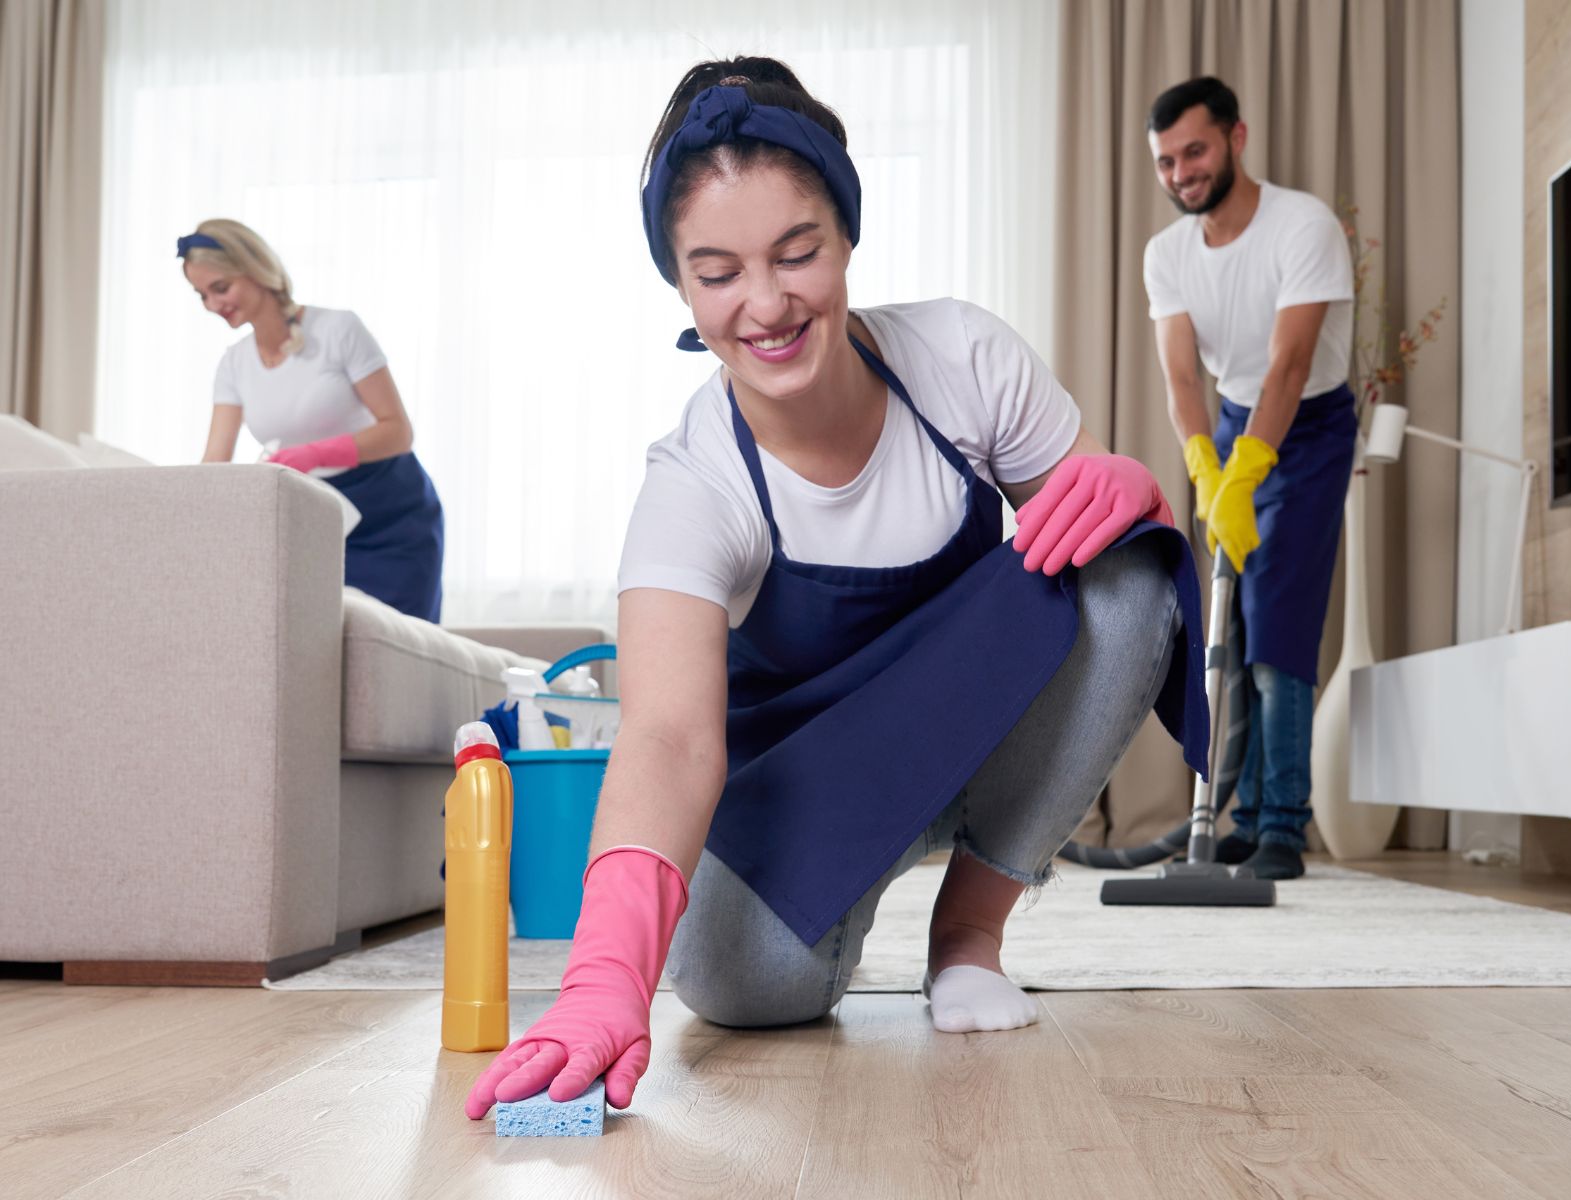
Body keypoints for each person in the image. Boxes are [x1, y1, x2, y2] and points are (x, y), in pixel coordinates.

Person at [466, 57, 1209, 1121]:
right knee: (741, 987)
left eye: (796, 253)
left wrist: (1135, 492)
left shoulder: (960, 358)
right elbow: (667, 737)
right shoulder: (694, 483)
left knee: (1134, 572)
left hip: (977, 730)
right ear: (681, 285)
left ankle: (969, 933)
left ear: (846, 236)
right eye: (718, 272)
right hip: (808, 782)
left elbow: (1101, 576)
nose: (766, 305)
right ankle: (837, 903)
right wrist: (602, 980)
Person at [1143, 77, 1357, 881]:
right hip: (1232, 425)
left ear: (1236, 138)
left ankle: (1283, 826)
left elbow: (1290, 367)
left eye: (1194, 151)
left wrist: (1251, 471)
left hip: (1310, 428)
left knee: (1278, 624)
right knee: (1231, 625)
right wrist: (1207, 466)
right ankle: (1245, 814)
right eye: (1166, 161)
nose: (1181, 173)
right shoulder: (1167, 254)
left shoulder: (1302, 226)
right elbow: (1181, 378)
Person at [178, 219, 446, 622]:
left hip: (393, 517)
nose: (213, 305)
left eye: (221, 288)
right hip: (320, 524)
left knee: (401, 644)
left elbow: (398, 431)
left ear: (255, 270)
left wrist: (314, 454)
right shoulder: (234, 364)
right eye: (202, 295)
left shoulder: (339, 330)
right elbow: (214, 462)